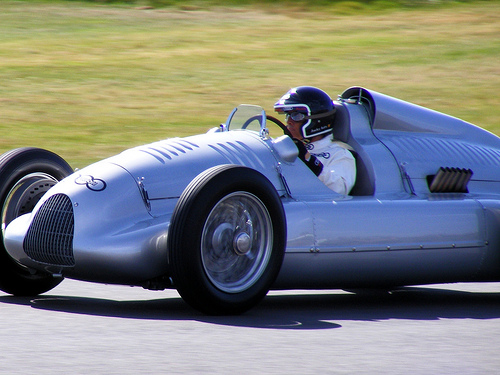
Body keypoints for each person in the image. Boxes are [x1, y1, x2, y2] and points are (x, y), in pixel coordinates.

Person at [274, 86, 356, 195]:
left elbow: (339, 189)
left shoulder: (340, 154)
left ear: (316, 121)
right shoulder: (284, 149)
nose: (289, 121)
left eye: (296, 116)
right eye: (288, 115)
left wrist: (310, 161)